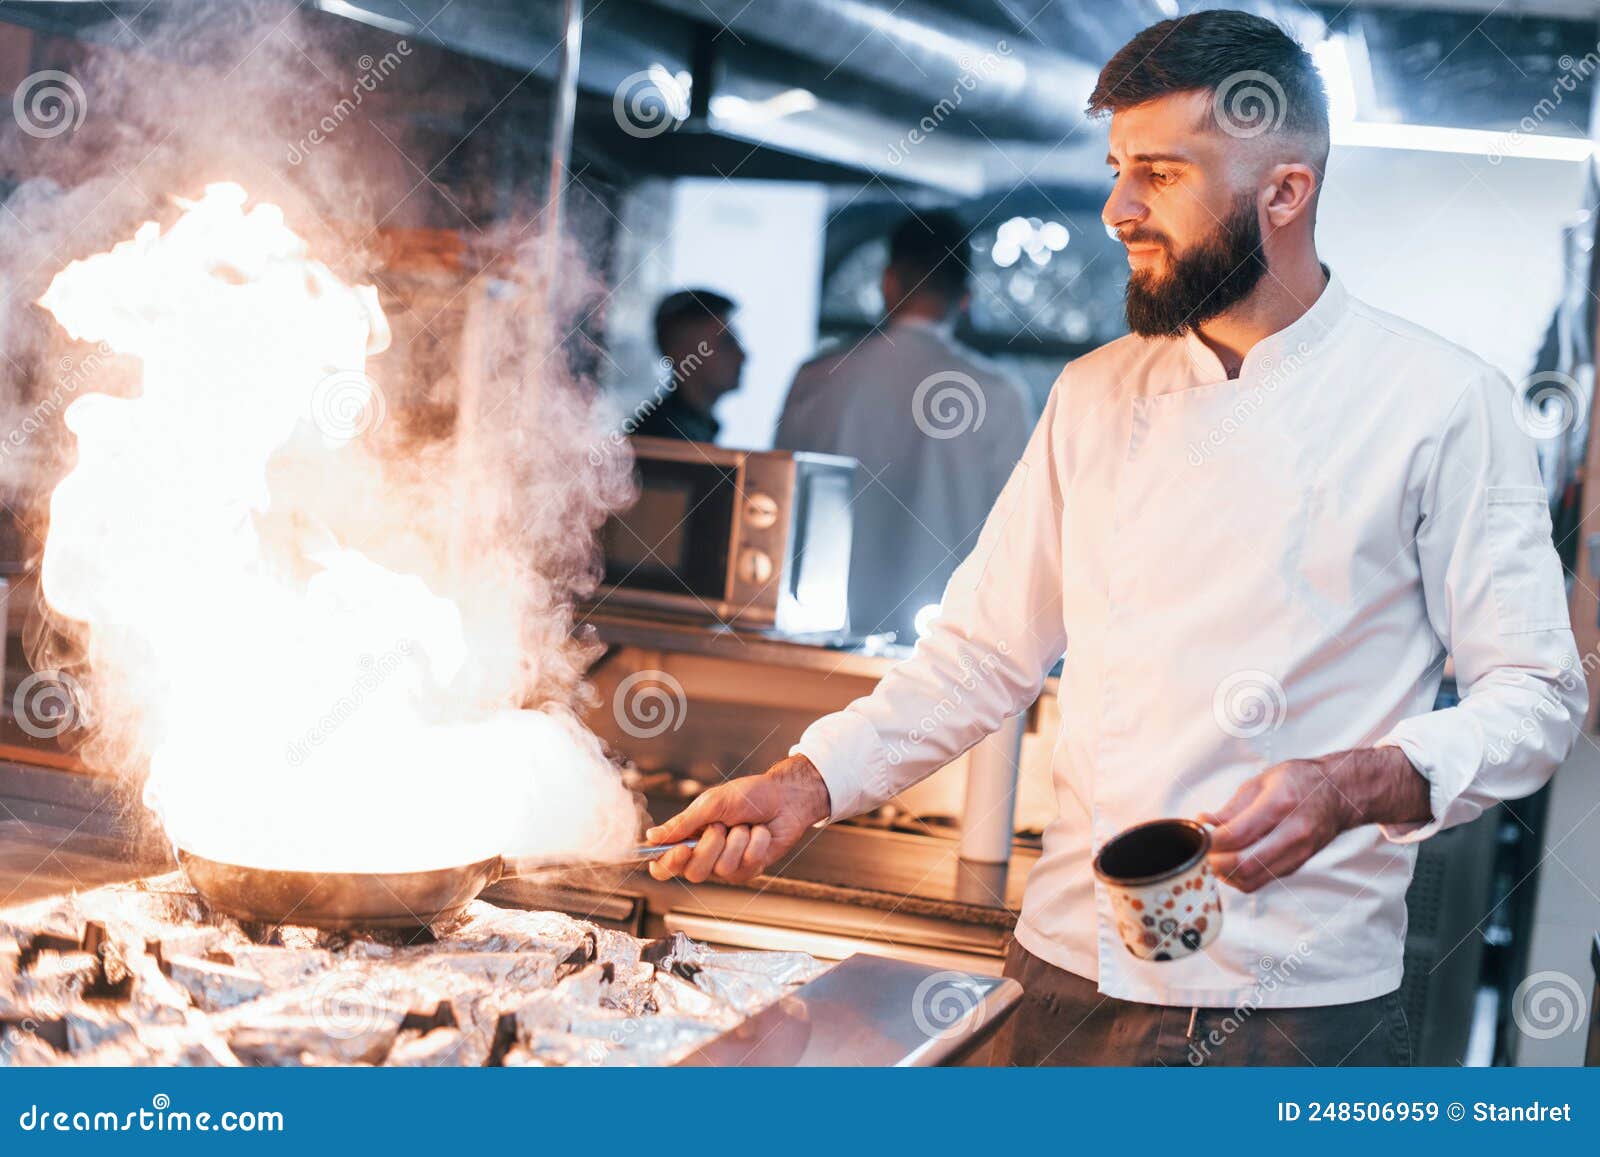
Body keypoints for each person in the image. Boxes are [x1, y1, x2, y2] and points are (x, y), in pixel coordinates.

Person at [644, 10, 1585, 1066]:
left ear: (1285, 192)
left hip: (1294, 1006)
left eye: (1159, 174)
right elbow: (981, 655)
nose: (1115, 209)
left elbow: (1537, 698)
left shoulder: (1443, 402)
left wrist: (1354, 782)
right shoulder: (1093, 393)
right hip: (1064, 971)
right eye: (1114, 169)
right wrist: (811, 781)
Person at [775, 212, 1033, 642]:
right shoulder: (1000, 396)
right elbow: (1018, 542)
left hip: (814, 639)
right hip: (942, 654)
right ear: (965, 299)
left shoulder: (817, 379)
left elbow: (776, 507)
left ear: (888, 283)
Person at [631, 289, 745, 443]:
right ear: (682, 353)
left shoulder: (687, 431)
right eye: (726, 343)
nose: (742, 355)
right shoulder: (658, 440)